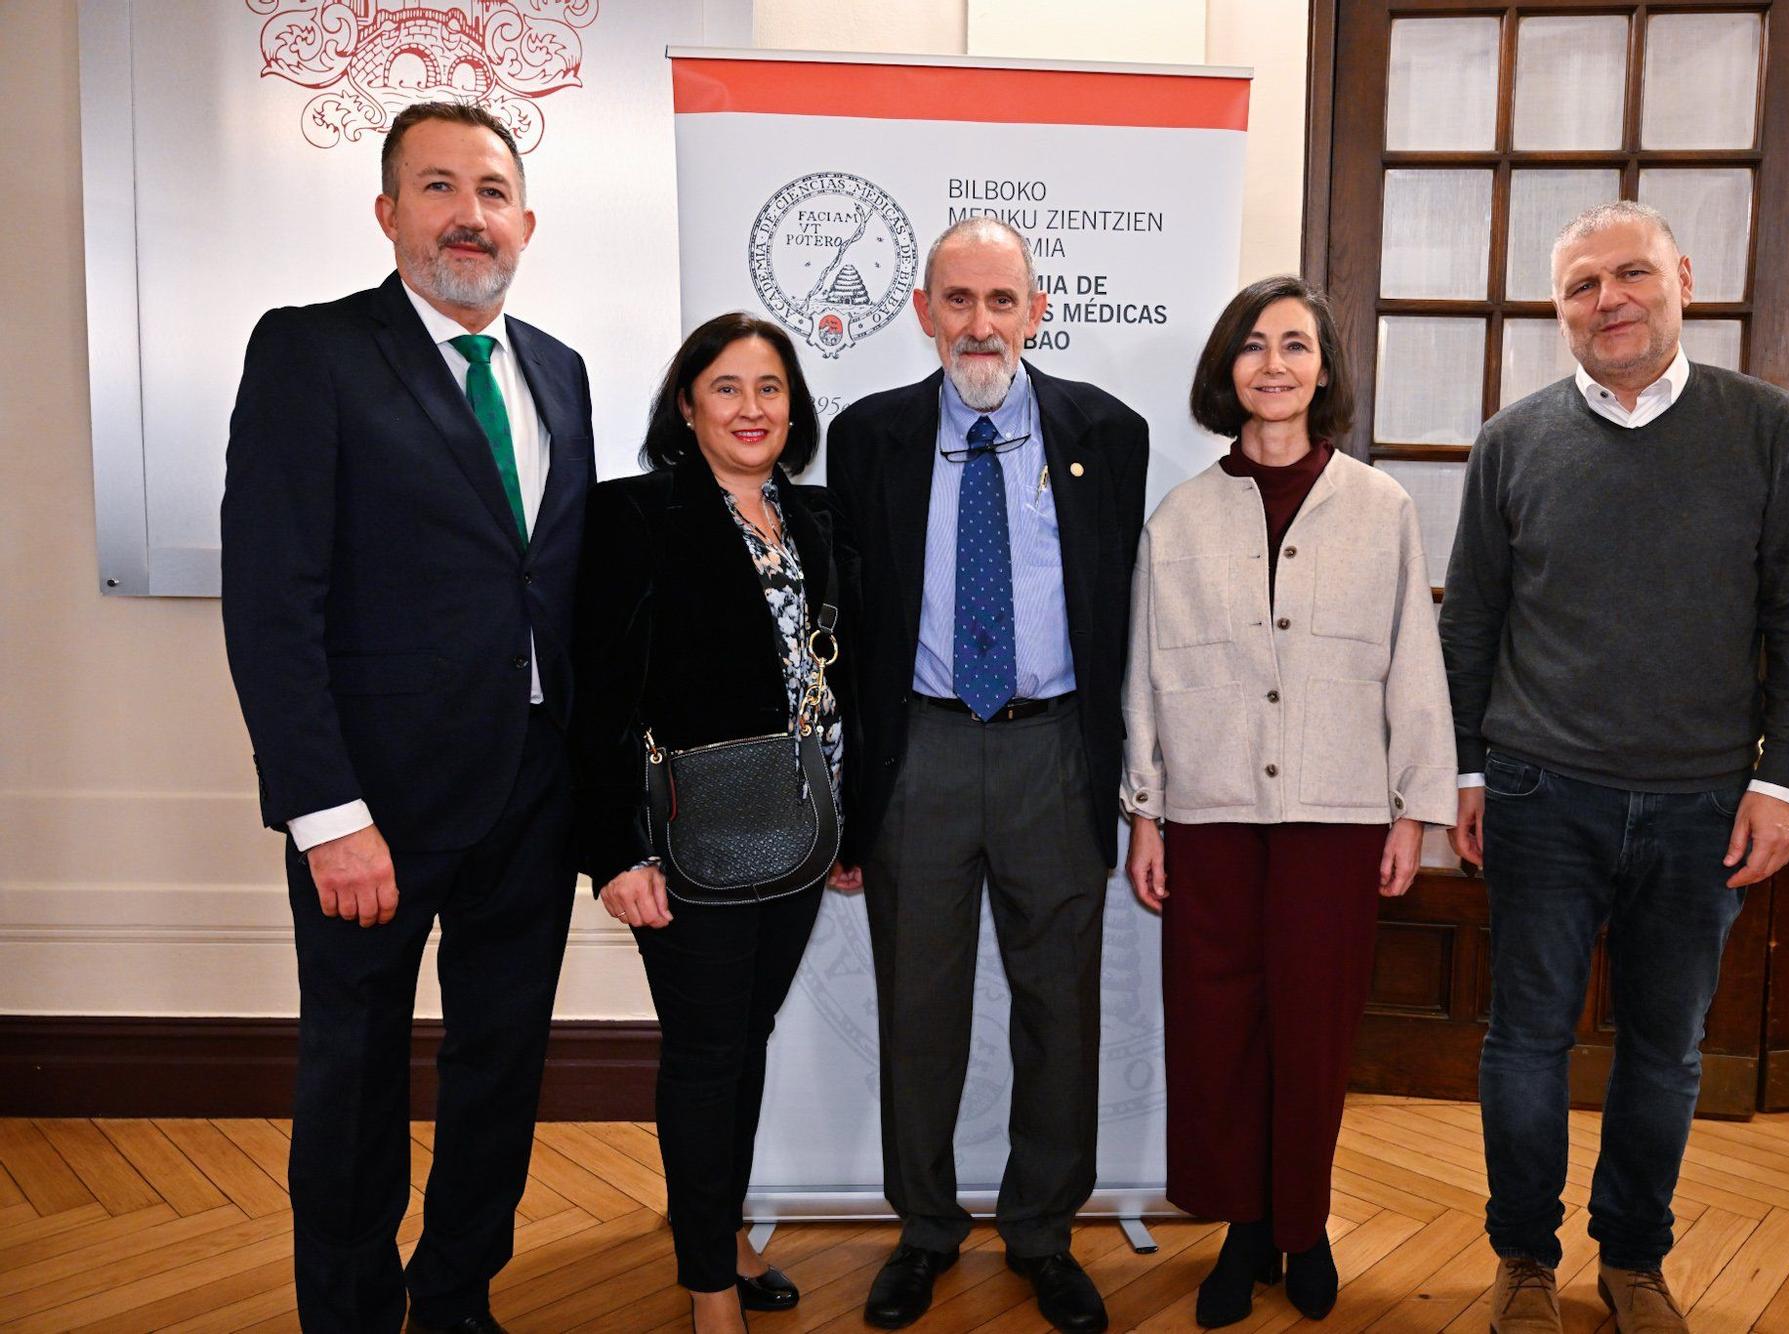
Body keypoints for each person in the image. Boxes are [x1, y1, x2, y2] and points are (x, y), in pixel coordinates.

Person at [220, 102, 593, 1334]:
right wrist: (327, 814)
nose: (467, 214)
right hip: (370, 808)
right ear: (388, 214)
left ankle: (454, 1297)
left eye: (490, 190)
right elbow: (275, 602)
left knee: (500, 1071)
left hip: (529, 795)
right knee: (356, 1075)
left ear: (525, 222)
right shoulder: (310, 353)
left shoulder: (560, 371)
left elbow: (551, 583)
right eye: (437, 186)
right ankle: (346, 1310)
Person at [1439, 201, 1789, 1333]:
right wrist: (1466, 772)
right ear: (1556, 308)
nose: (1606, 299)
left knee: (1664, 1049)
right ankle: (1522, 1257)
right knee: (1523, 1040)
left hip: (1703, 804)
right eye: (1579, 285)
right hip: (1535, 791)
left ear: (1681, 278)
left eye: (1628, 275)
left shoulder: (1766, 429)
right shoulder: (1511, 440)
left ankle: (1632, 1258)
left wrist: (1784, 781)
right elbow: (1470, 621)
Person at [826, 218, 1148, 1334]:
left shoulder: (1108, 432)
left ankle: (1043, 1232)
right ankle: (922, 1230)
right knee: (917, 1007)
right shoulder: (864, 435)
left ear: (1035, 311)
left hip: (1051, 751)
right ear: (921, 310)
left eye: (999, 301)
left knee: (1058, 1008)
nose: (978, 324)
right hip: (916, 751)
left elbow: (1120, 612)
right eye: (955, 300)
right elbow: (848, 616)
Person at [1121, 277, 1457, 1326]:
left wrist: (1411, 807)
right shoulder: (1178, 516)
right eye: (1253, 346)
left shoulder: (1379, 507)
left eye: (1295, 346)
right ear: (1227, 370)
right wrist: (1146, 808)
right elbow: (1146, 669)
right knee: (1218, 1028)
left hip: (1338, 810)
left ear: (1324, 370)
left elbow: (1412, 661)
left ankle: (1299, 1224)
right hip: (1212, 812)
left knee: (1311, 1026)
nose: (1273, 364)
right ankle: (1238, 1225)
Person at [568, 311, 861, 1334]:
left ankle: (719, 1229)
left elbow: (846, 682)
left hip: (802, 827)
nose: (751, 407)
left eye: (770, 387)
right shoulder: (633, 516)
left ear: (794, 407)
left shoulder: (822, 517)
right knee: (702, 1048)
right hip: (688, 833)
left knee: (745, 1037)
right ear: (686, 404)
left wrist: (849, 829)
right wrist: (613, 850)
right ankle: (707, 1286)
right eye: (727, 387)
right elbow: (596, 696)